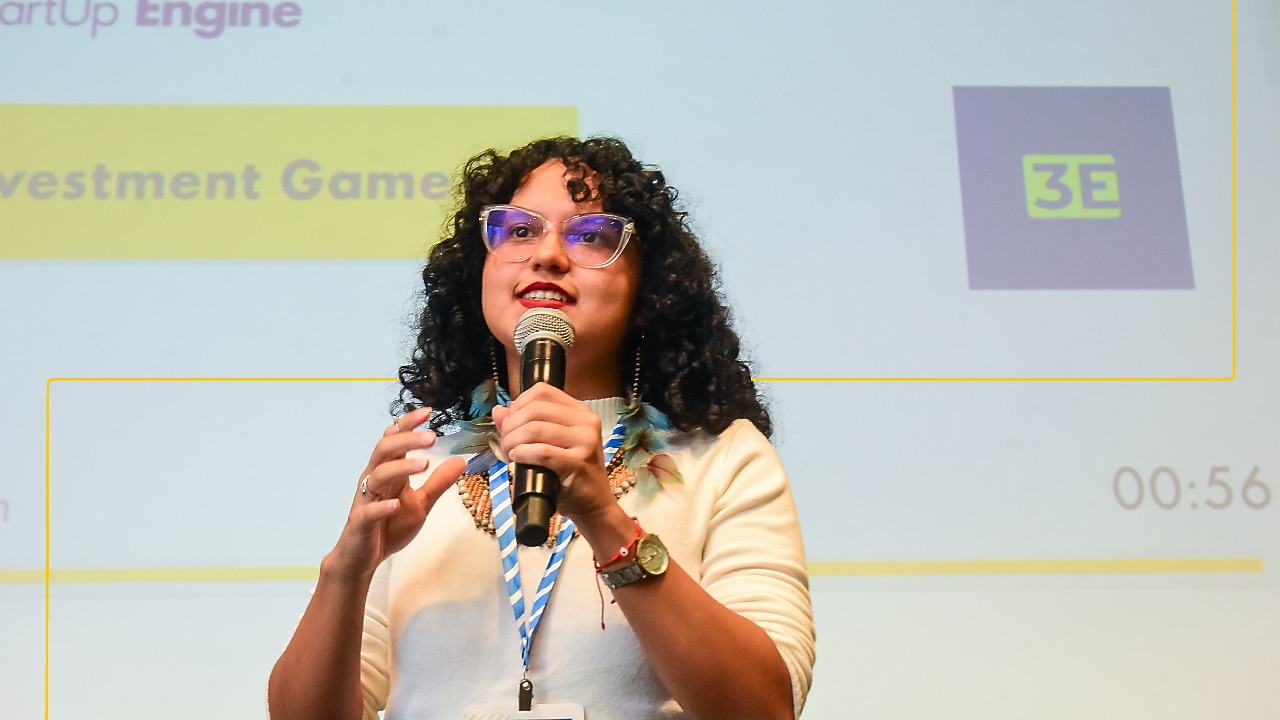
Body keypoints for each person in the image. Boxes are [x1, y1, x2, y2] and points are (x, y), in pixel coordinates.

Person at [267, 136, 815, 719]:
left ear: (649, 291)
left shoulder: (722, 459)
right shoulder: (423, 471)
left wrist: (603, 518)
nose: (548, 254)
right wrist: (347, 573)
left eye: (591, 235)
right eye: (520, 231)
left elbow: (764, 708)